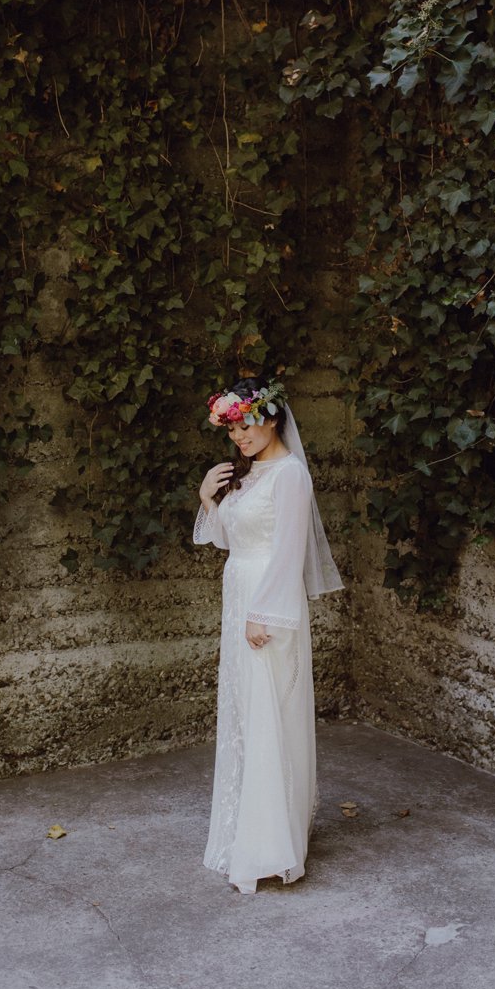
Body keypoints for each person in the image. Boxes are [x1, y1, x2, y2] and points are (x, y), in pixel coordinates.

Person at [193, 374, 344, 894]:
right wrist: (209, 500)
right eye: (231, 429)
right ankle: (246, 832)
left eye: (246, 425)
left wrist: (265, 614)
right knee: (243, 712)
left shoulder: (290, 476)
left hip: (267, 605)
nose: (239, 437)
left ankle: (271, 845)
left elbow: (288, 552)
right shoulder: (246, 474)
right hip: (239, 595)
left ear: (272, 416)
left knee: (268, 712)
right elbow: (227, 542)